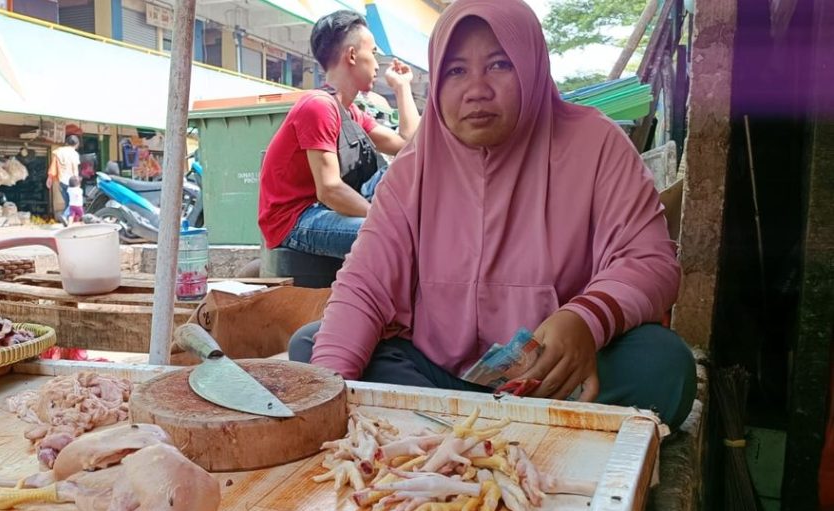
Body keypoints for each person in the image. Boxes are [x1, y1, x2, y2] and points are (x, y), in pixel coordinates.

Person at [288, 0, 696, 428]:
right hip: (436, 376)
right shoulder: (414, 168)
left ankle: (437, 430)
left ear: (532, 67)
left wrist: (586, 319)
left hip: (553, 379)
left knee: (662, 364)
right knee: (316, 352)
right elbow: (365, 284)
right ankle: (512, 433)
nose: (476, 89)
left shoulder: (596, 145)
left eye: (499, 65)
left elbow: (651, 262)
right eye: (456, 71)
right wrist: (326, 401)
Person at [257, 10, 421, 260]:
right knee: (393, 235)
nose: (378, 64)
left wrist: (402, 87)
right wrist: (385, 219)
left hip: (322, 209)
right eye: (374, 53)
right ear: (353, 55)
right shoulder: (318, 106)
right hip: (296, 219)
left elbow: (407, 145)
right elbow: (330, 189)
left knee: (410, 169)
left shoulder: (350, 111)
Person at [48, 135, 83, 225]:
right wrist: (77, 181)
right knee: (73, 203)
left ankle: (68, 221)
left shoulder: (59, 151)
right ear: (77, 144)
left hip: (62, 181)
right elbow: (75, 168)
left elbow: (53, 166)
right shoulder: (74, 154)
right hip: (72, 182)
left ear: (66, 143)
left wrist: (50, 178)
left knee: (68, 202)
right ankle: (65, 215)